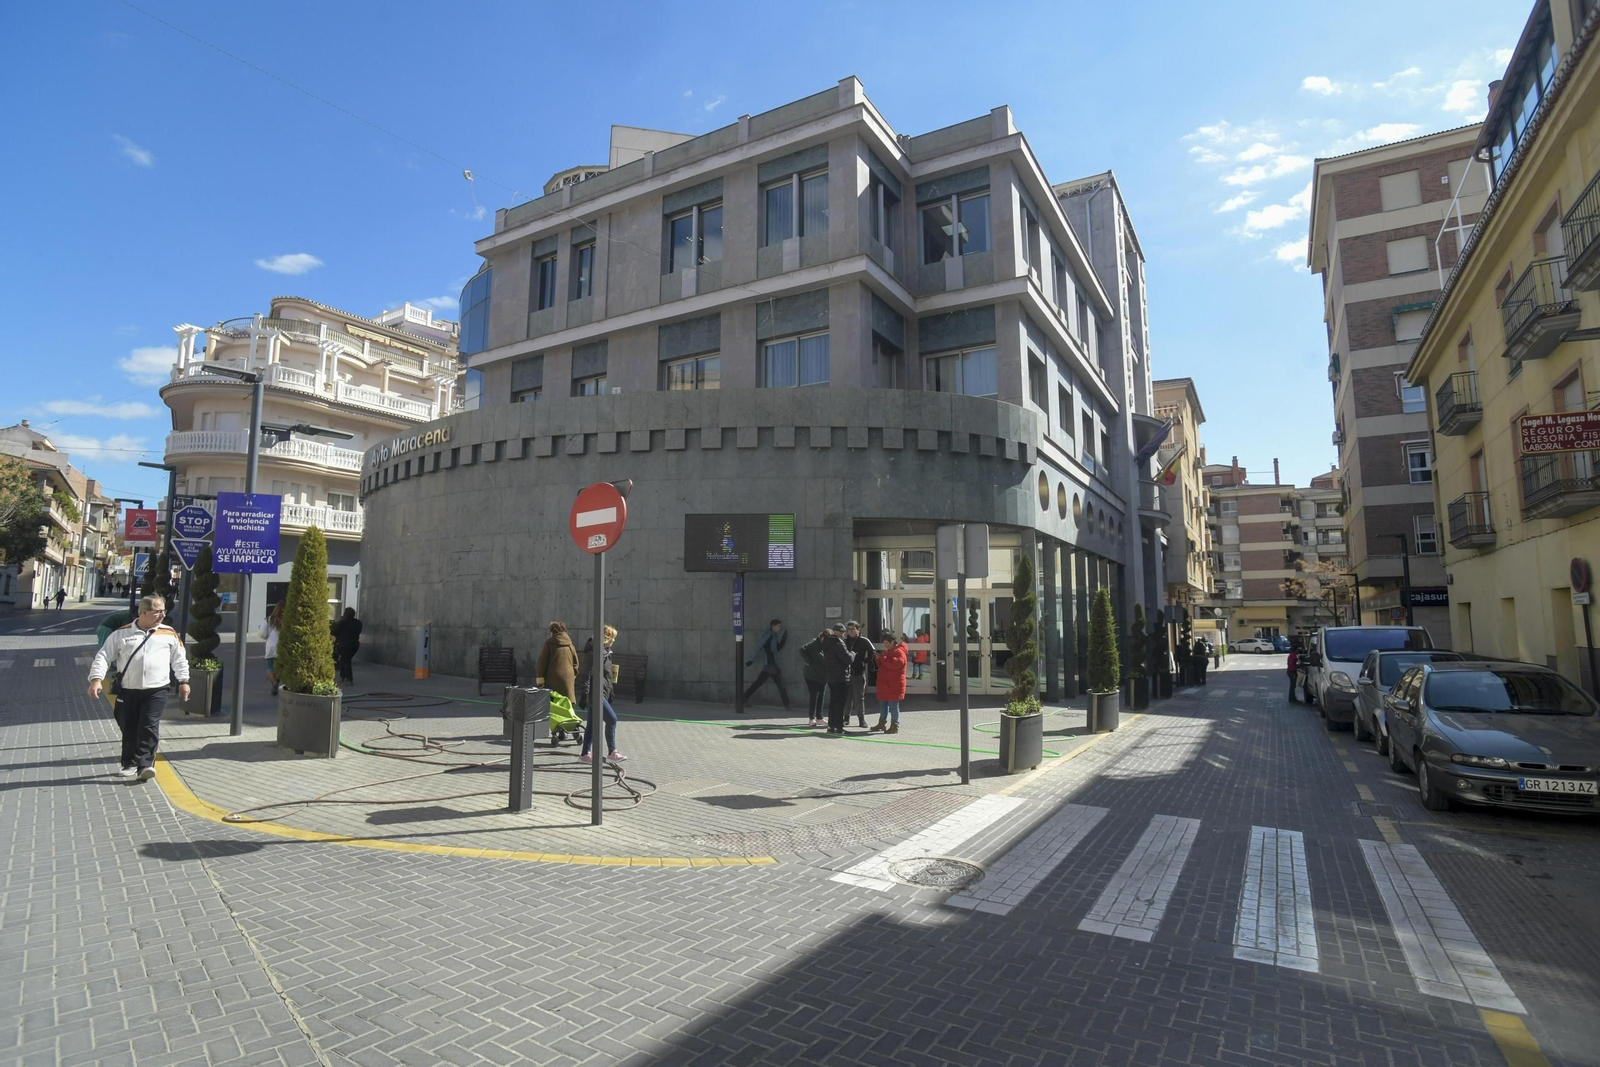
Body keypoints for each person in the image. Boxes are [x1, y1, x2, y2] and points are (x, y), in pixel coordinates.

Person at [87, 595, 190, 781]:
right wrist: (96, 679)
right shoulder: (121, 634)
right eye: (157, 612)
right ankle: (129, 763)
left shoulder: (169, 633)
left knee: (149, 725)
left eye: (164, 611)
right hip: (128, 689)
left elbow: (179, 659)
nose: (162, 615)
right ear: (143, 613)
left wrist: (184, 681)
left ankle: (145, 765)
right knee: (129, 726)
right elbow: (103, 656)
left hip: (157, 689)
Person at [579, 625, 625, 762]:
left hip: (601, 692)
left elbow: (607, 676)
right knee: (612, 719)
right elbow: (585, 675)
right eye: (612, 638)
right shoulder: (593, 654)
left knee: (592, 724)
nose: (614, 641)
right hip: (595, 694)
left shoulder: (606, 653)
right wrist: (585, 694)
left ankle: (585, 754)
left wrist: (611, 691)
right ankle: (612, 751)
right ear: (606, 638)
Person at [740, 618, 790, 711]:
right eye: (778, 626)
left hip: (770, 665)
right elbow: (758, 646)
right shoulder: (768, 635)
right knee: (780, 684)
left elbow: (776, 649)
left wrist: (783, 640)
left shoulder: (774, 636)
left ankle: (744, 697)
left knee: (759, 683)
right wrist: (751, 660)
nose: (780, 628)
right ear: (773, 626)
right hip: (771, 664)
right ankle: (787, 704)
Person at [872, 632, 909, 734]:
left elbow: (894, 665)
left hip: (893, 684)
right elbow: (884, 664)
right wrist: (878, 659)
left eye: (887, 643)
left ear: (893, 642)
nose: (885, 645)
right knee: (883, 705)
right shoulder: (888, 651)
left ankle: (894, 725)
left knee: (893, 706)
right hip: (885, 684)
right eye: (884, 643)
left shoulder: (899, 652)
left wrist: (882, 658)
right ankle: (882, 723)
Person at [536, 621, 581, 706]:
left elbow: (542, 663)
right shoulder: (570, 645)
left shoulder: (549, 644)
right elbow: (576, 663)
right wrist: (573, 675)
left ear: (552, 632)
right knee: (566, 703)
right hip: (568, 678)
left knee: (553, 704)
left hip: (553, 679)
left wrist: (540, 682)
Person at [843, 621, 876, 729]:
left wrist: (865, 661)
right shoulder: (845, 641)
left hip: (858, 673)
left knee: (859, 698)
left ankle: (861, 720)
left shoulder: (864, 641)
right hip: (846, 674)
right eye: (849, 629)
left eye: (853, 629)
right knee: (847, 698)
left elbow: (873, 652)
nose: (851, 631)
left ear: (858, 630)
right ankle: (846, 718)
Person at [822, 623, 852, 734]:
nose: (843, 635)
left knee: (833, 702)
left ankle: (831, 726)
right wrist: (853, 654)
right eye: (843, 632)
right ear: (839, 632)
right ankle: (839, 728)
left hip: (831, 677)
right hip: (841, 677)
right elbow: (848, 659)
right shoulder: (839, 643)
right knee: (840, 703)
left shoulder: (827, 642)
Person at [798, 629, 828, 727]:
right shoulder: (814, 643)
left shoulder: (826, 645)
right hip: (812, 675)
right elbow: (802, 649)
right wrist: (808, 661)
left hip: (823, 675)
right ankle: (812, 718)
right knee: (814, 695)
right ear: (822, 637)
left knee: (821, 695)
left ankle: (819, 717)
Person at [332, 607, 363, 685]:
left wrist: (339, 622)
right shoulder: (358, 623)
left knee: (346, 661)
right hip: (355, 645)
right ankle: (342, 677)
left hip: (344, 645)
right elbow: (358, 632)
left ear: (345, 614)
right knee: (345, 660)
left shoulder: (343, 623)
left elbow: (335, 632)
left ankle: (349, 679)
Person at [260, 603, 283, 695]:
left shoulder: (268, 619)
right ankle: (277, 681)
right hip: (281, 646)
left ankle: (274, 682)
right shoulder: (286, 620)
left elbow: (262, 633)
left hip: (270, 646)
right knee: (280, 667)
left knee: (269, 667)